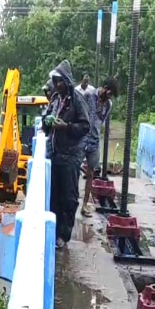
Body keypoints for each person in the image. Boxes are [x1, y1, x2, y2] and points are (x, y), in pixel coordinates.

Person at [41, 60, 91, 249]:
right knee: (53, 195)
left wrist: (66, 127)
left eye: (60, 81)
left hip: (70, 156)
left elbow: (85, 126)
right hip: (54, 155)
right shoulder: (55, 100)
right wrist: (48, 122)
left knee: (68, 197)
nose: (57, 85)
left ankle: (64, 234)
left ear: (67, 82)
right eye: (55, 81)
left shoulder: (77, 100)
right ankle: (53, 232)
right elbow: (45, 121)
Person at [80, 76, 118, 216]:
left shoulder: (108, 105)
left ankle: (84, 205)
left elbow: (101, 121)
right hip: (82, 138)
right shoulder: (89, 96)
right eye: (108, 93)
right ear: (104, 87)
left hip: (94, 141)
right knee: (73, 169)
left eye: (111, 95)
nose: (109, 96)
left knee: (91, 173)